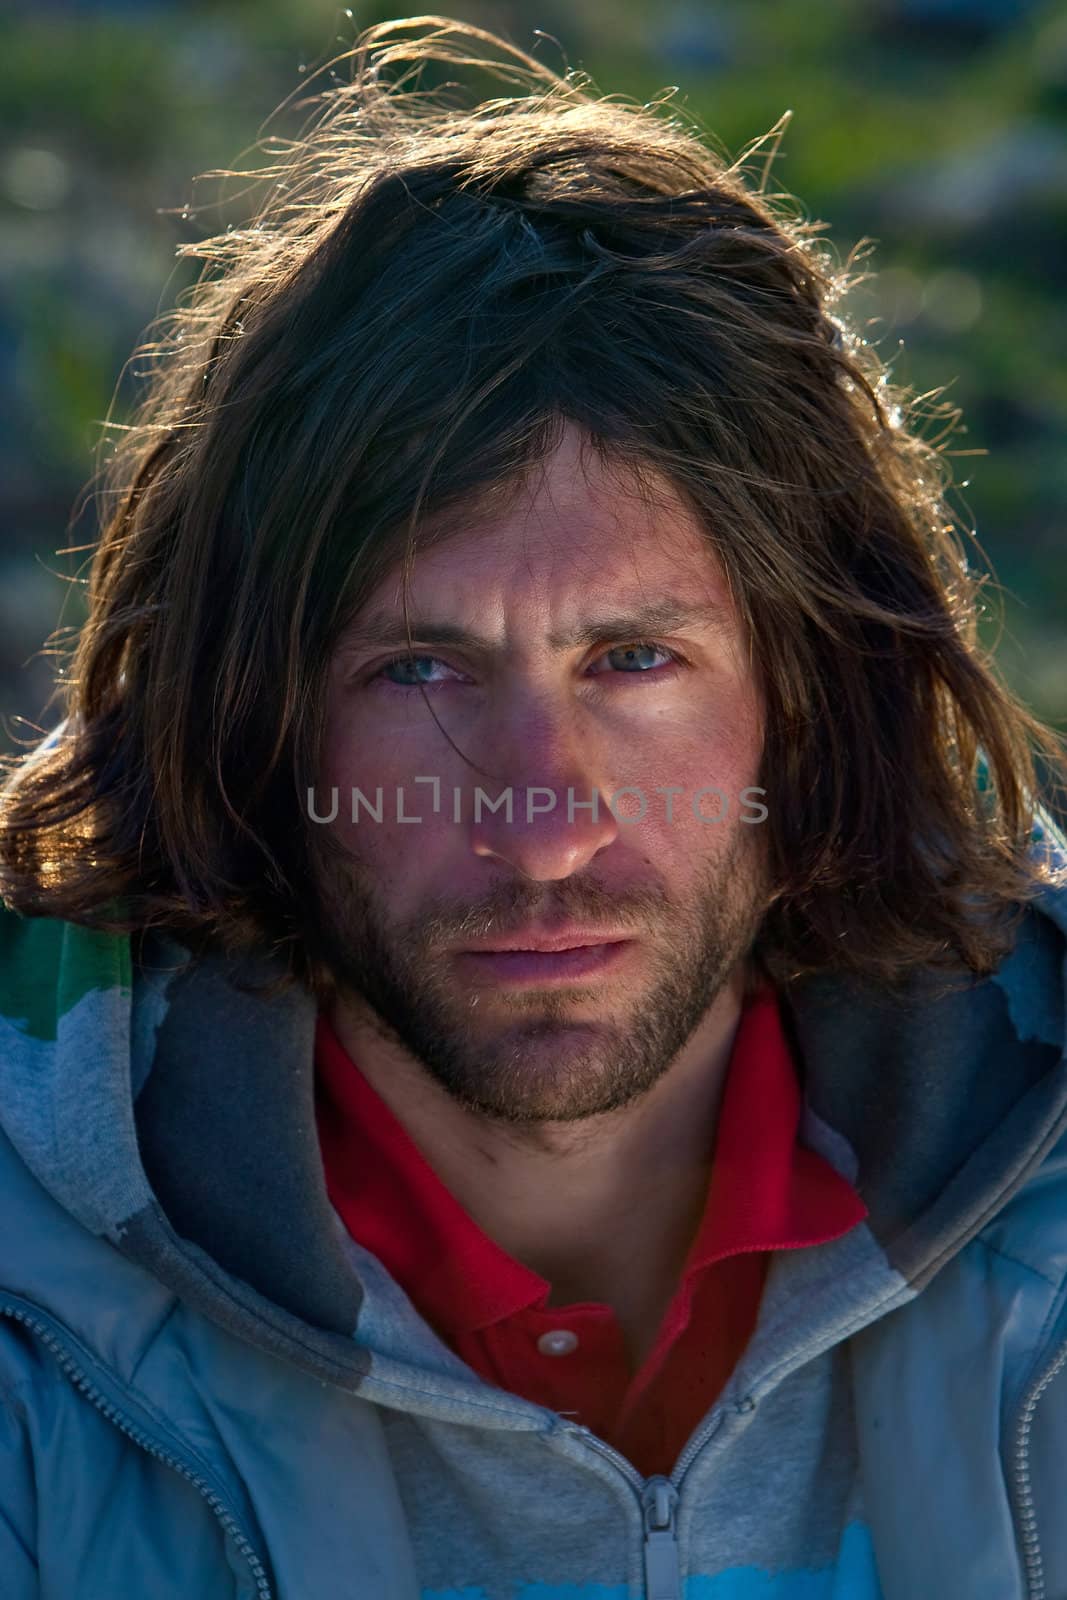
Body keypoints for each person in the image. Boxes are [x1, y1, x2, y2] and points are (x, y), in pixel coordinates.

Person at [1, 16, 1066, 1599]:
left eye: (633, 661)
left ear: (809, 692)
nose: (543, 826)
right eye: (421, 672)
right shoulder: (36, 1307)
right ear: (255, 725)